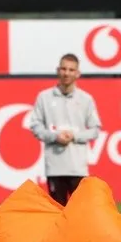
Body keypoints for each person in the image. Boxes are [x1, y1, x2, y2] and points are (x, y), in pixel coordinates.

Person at [29, 53, 101, 206]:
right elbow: (35, 126)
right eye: (63, 69)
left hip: (78, 169)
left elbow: (95, 129)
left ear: (77, 73)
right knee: (57, 213)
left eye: (71, 70)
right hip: (55, 168)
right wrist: (55, 136)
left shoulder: (85, 99)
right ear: (58, 70)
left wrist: (74, 136)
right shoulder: (44, 97)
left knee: (80, 212)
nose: (66, 73)